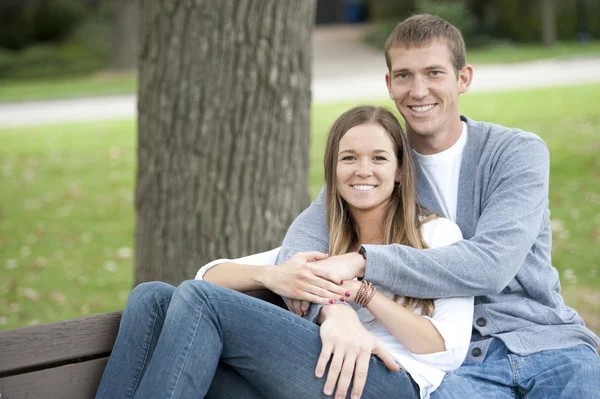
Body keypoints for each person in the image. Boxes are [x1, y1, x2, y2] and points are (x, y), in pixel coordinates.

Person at [271, 14, 600, 399]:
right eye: (405, 76)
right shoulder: (377, 166)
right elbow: (296, 255)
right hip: (450, 366)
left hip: (544, 342)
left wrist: (365, 262)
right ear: (389, 85)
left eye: (434, 73)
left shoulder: (515, 153)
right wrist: (335, 310)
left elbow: (491, 266)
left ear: (463, 78)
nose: (419, 89)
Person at [96, 106, 473, 399]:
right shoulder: (323, 240)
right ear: (333, 169)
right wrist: (271, 276)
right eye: (348, 158)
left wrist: (362, 294)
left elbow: (447, 349)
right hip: (313, 376)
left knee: (199, 303)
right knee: (153, 298)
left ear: (400, 172)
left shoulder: (436, 234)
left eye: (378, 158)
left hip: (385, 382)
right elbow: (206, 276)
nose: (363, 170)